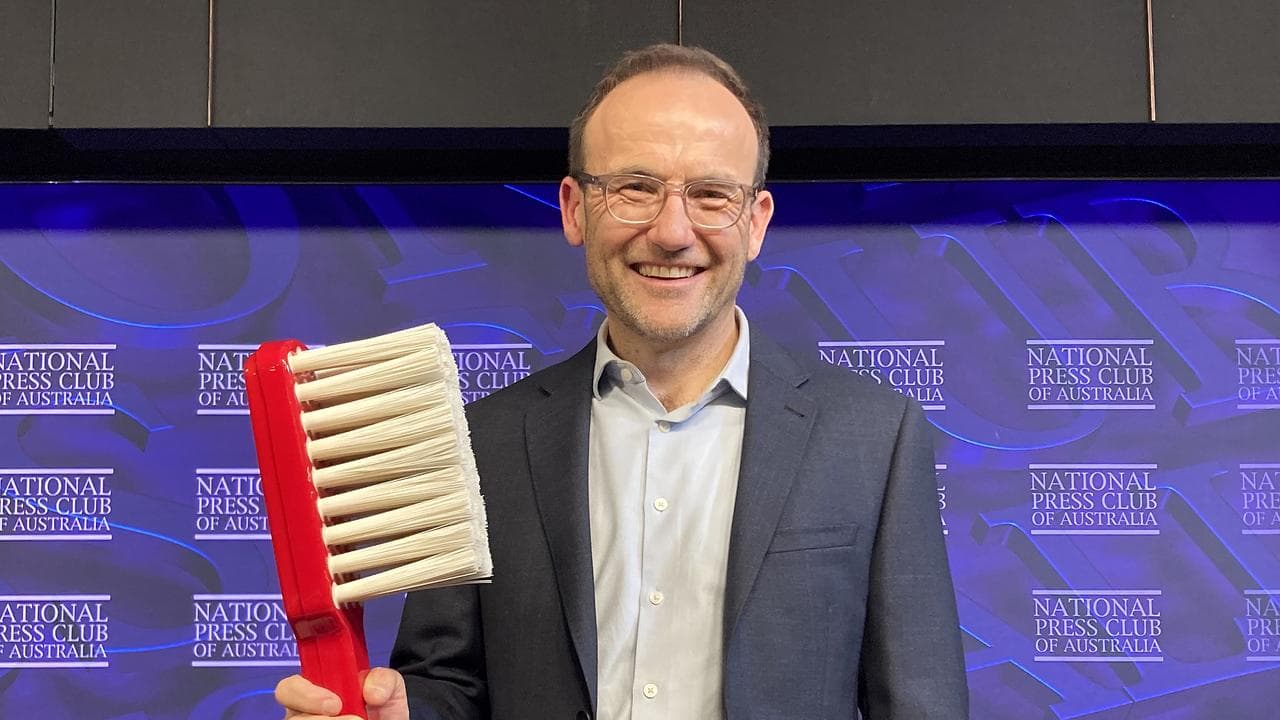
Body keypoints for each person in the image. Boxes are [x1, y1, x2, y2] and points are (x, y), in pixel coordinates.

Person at [276, 44, 967, 719]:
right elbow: (449, 688)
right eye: (635, 188)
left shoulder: (872, 439)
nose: (672, 230)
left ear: (755, 223)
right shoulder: (486, 443)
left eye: (711, 194)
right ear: (575, 208)